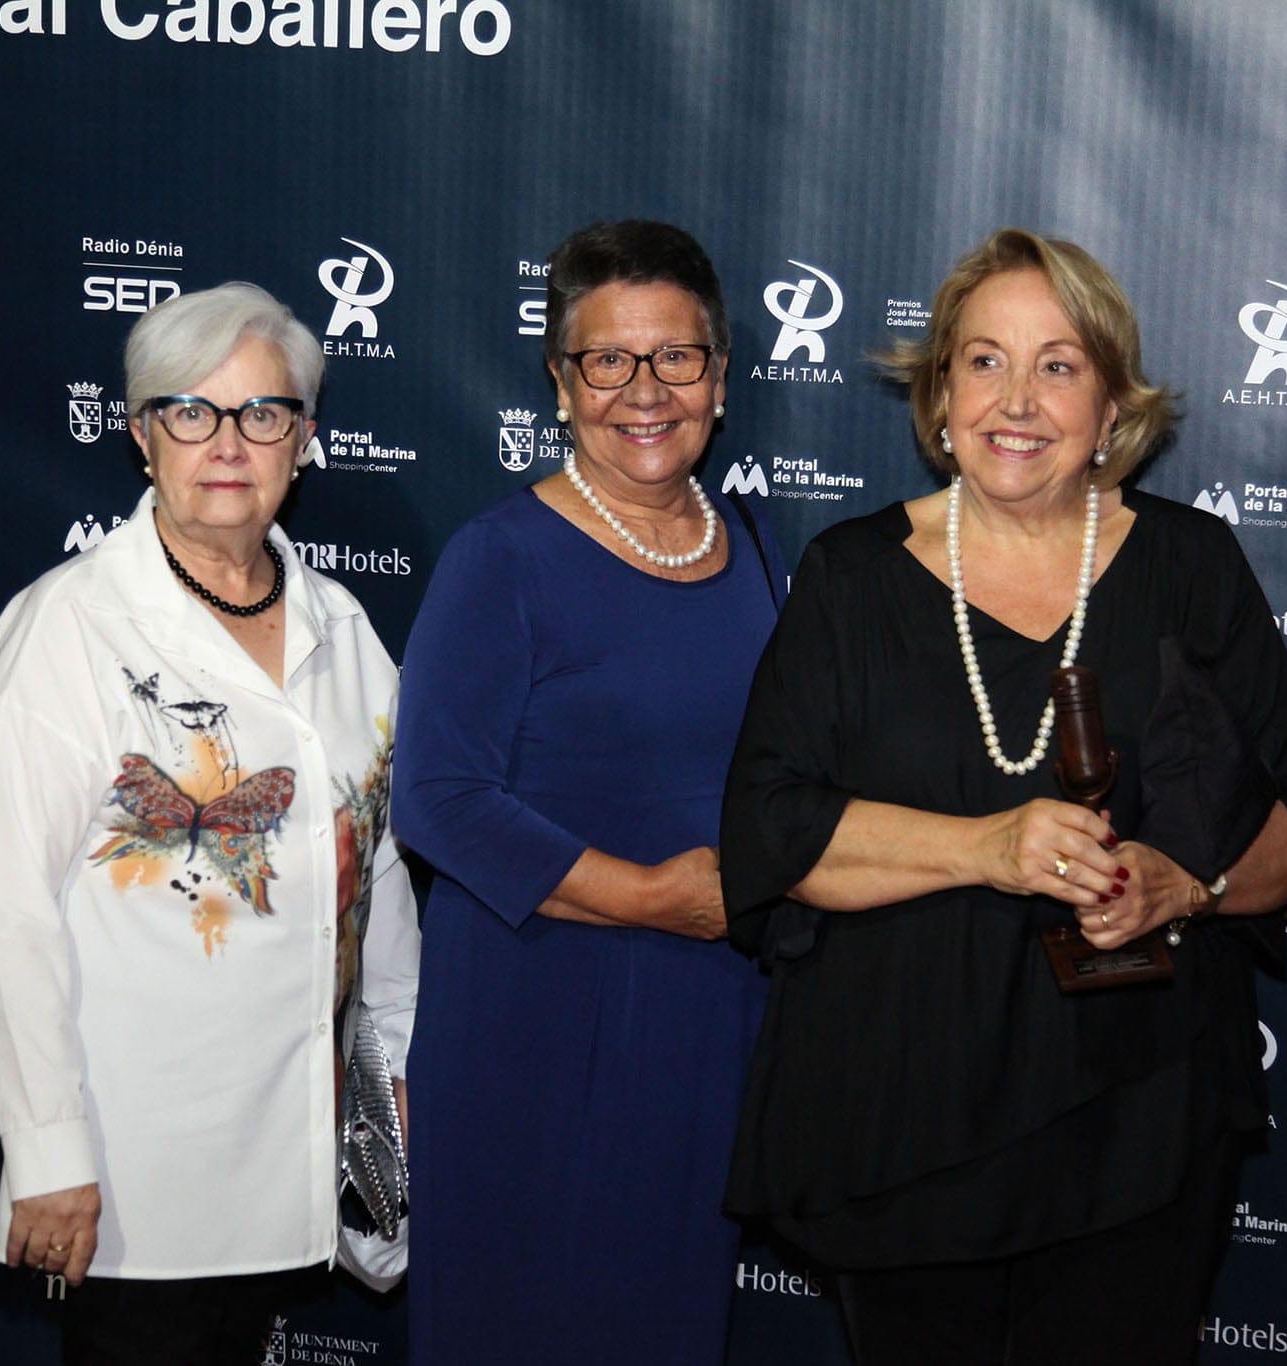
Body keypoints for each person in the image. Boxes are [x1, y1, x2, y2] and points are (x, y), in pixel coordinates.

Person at [719, 229, 1287, 1365]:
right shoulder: (850, 576)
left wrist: (1187, 885)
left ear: (1110, 409)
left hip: (1138, 1113)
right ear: (939, 396)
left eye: (1058, 366)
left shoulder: (1192, 565)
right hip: (905, 1109)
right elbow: (771, 831)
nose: (1015, 401)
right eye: (983, 361)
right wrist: (986, 847)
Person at [0, 282, 417, 1365]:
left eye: (263, 412)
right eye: (191, 410)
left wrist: (393, 1076)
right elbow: (6, 905)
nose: (228, 442)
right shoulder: (68, 626)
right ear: (141, 432)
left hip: (290, 1156)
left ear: (304, 438)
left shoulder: (344, 629)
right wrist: (48, 1151)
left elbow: (379, 876)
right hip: (133, 1180)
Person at [392, 220, 780, 1364]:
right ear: (561, 385)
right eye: (606, 359)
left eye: (676, 356)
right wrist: (652, 897)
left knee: (666, 1323)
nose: (643, 390)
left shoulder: (751, 542)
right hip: (534, 1017)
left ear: (719, 376)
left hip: (703, 1016)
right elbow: (438, 799)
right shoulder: (499, 555)